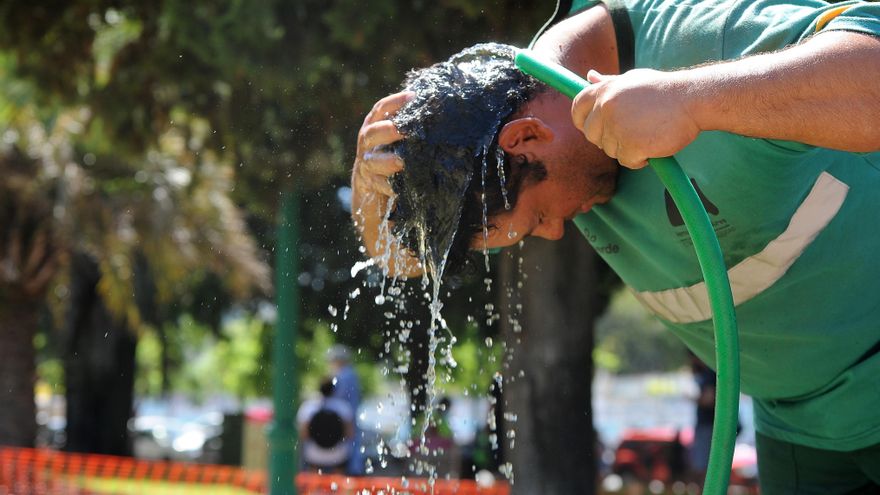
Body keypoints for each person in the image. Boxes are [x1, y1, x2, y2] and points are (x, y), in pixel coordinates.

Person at [350, 0, 880, 492]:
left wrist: (691, 100)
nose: (557, 233)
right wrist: (369, 185)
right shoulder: (504, 166)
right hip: (799, 427)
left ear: (528, 137)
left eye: (537, 219)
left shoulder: (692, 33)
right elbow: (400, 260)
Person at [296, 378, 354, 473]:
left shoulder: (308, 407)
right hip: (338, 456)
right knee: (339, 484)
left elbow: (303, 435)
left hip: (313, 455)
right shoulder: (343, 407)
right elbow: (350, 434)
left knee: (313, 484)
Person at [327, 345, 365, 475]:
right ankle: (354, 469)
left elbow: (338, 396)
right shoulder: (352, 374)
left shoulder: (342, 376)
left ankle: (351, 471)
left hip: (344, 417)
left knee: (346, 444)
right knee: (353, 443)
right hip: (350, 415)